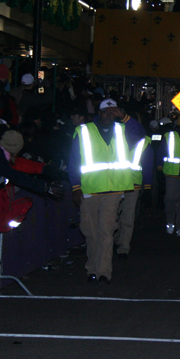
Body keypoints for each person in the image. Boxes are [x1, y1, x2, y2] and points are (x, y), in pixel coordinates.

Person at [69, 99, 145, 284]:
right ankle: (92, 268)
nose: (109, 116)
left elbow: (141, 134)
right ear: (99, 113)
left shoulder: (122, 130)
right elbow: (73, 160)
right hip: (90, 190)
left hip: (113, 191)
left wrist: (124, 117)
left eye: (112, 112)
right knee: (91, 232)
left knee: (106, 232)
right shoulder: (84, 131)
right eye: (106, 112)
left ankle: (103, 272)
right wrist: (76, 187)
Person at [114, 133, 152, 259]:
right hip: (116, 184)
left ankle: (124, 247)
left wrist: (147, 186)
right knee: (113, 215)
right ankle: (116, 239)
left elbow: (147, 165)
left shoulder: (144, 142)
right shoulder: (116, 136)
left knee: (128, 217)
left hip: (132, 185)